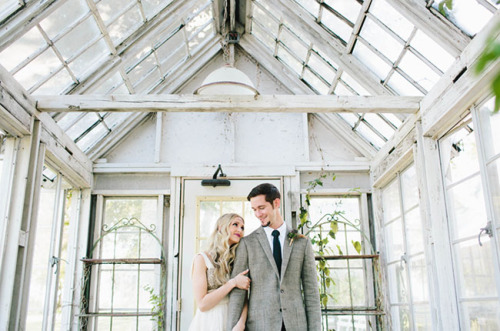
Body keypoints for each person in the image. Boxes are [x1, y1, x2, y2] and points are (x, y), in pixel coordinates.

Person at [227, 183, 321, 331]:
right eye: (254, 210)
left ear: (276, 203)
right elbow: (238, 293)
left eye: (261, 208)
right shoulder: (247, 244)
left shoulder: (302, 242)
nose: (258, 214)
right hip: (260, 325)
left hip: (296, 325)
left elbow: (312, 294)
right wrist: (231, 327)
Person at [189, 213, 251, 331]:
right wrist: (232, 283)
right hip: (209, 321)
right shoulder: (201, 259)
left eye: (242, 227)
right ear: (221, 227)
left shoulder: (237, 260)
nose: (240, 230)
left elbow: (245, 296)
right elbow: (202, 304)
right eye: (235, 224)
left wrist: (241, 324)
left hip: (233, 318)